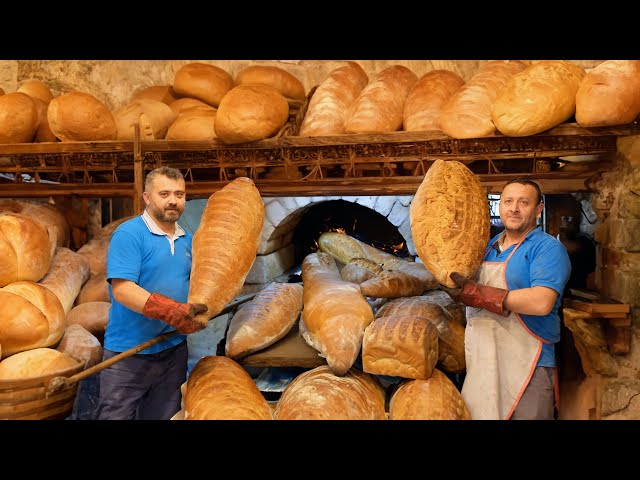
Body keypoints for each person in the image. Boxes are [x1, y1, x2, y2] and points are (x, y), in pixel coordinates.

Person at [446, 178, 571, 420]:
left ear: (538, 210)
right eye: (508, 201)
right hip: (484, 361)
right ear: (499, 207)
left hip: (528, 364)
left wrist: (477, 294)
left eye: (523, 203)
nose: (514, 208)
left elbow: (541, 302)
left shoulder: (547, 249)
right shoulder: (487, 247)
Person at [96, 166, 208, 420]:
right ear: (147, 197)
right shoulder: (130, 234)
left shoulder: (188, 239)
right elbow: (123, 290)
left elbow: (194, 285)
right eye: (164, 193)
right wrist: (170, 311)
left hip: (172, 351)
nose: (172, 201)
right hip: (128, 353)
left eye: (179, 194)